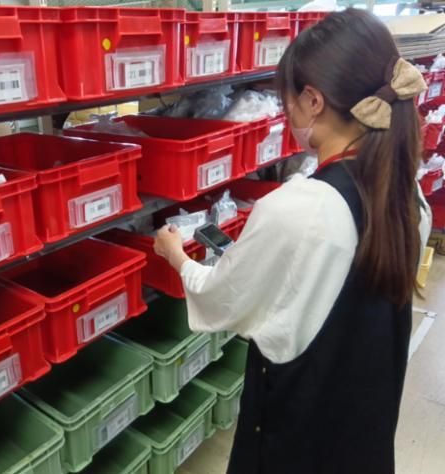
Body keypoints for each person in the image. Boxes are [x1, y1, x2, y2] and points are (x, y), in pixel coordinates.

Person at [153, 8, 432, 474]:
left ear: (313, 100)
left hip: (296, 443)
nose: (287, 117)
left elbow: (224, 298)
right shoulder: (409, 196)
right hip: (364, 435)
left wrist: (177, 256)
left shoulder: (299, 209)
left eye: (287, 105)